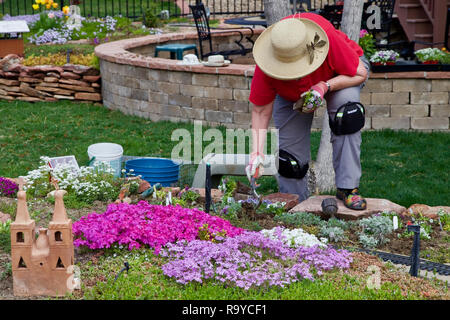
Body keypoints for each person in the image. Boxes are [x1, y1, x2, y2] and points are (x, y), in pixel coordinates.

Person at [245, 12, 370, 210]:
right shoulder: (267, 63)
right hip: (290, 94)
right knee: (289, 160)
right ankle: (294, 203)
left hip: (342, 75)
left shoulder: (326, 38)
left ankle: (348, 188)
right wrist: (256, 153)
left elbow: (359, 73)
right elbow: (260, 111)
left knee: (347, 115)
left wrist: (325, 86)